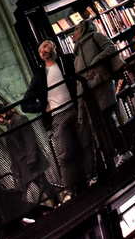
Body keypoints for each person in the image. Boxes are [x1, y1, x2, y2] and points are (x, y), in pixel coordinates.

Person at [21, 39, 86, 192]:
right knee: (64, 155)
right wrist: (43, 106)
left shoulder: (68, 61)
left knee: (86, 143)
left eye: (45, 46)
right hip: (57, 116)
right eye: (39, 51)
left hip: (76, 108)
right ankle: (70, 189)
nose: (42, 51)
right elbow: (25, 104)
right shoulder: (39, 76)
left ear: (54, 46)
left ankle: (92, 175)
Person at [71, 19, 127, 162]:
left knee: (107, 120)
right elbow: (79, 78)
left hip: (101, 84)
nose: (73, 33)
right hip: (89, 92)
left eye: (76, 29)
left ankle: (123, 151)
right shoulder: (77, 52)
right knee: (99, 125)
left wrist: (96, 61)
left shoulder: (95, 36)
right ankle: (113, 155)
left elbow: (111, 48)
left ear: (84, 29)